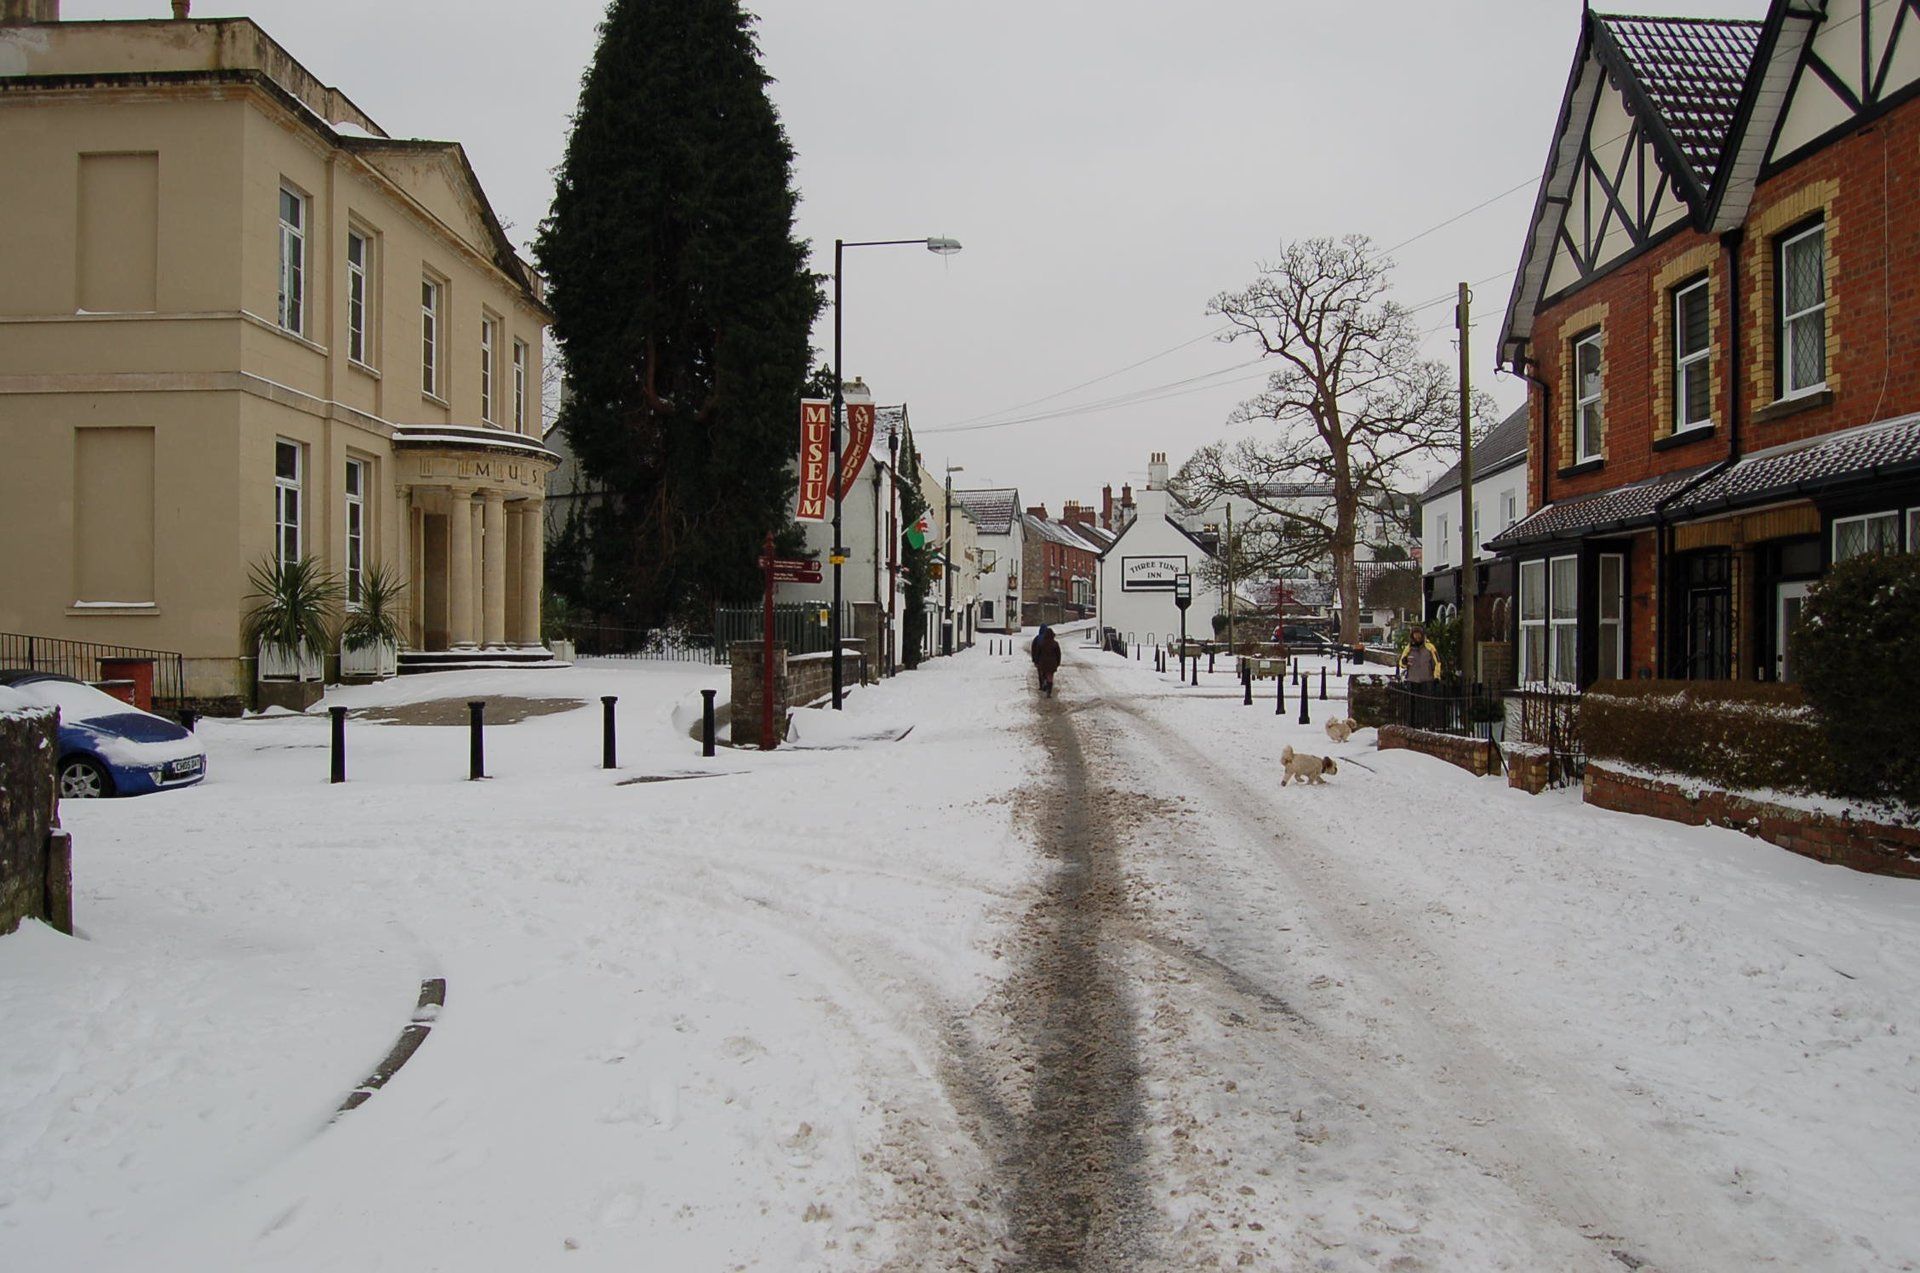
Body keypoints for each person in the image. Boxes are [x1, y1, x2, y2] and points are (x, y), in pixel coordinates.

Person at [1030, 624, 1062, 696]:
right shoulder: (1055, 644)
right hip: (1052, 663)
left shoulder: (1039, 641)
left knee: (1042, 673)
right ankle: (1049, 690)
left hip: (1042, 662)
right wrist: (1058, 662)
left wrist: (1035, 660)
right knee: (1050, 676)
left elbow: (1036, 651)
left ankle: (1043, 684)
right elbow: (1058, 654)